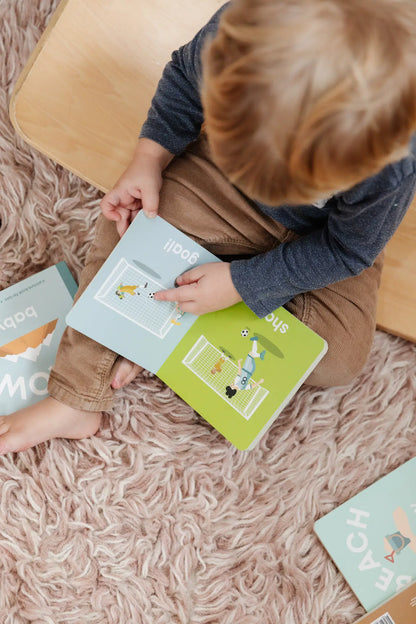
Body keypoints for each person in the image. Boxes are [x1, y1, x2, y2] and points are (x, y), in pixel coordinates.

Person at [1, 0, 416, 454]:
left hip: (327, 237)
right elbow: (182, 80)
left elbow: (347, 251)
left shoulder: (393, 157)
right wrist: (148, 158)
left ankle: (166, 322)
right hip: (220, 188)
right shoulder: (242, 33)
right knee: (130, 226)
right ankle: (76, 396)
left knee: (339, 362)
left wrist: (244, 282)